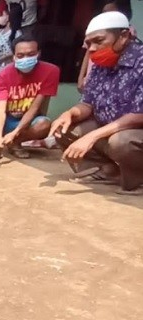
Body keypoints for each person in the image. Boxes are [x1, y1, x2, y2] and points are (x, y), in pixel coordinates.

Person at [53, 11, 143, 195]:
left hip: (132, 131)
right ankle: (110, 172)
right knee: (64, 129)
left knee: (121, 141)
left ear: (124, 36)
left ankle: (137, 180)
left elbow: (138, 116)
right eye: (88, 43)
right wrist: (69, 114)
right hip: (111, 128)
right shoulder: (101, 62)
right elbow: (88, 104)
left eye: (98, 40)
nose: (92, 48)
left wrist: (92, 136)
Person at [0, 36, 59, 161]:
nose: (26, 59)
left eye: (31, 54)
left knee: (44, 124)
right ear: (14, 56)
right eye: (20, 55)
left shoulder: (51, 71)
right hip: (4, 119)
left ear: (39, 53)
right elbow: (0, 109)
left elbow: (35, 108)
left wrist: (15, 132)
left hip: (26, 121)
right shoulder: (4, 74)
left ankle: (14, 143)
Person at [77, 0, 136, 93]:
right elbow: (87, 54)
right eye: (104, 13)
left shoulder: (129, 35)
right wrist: (81, 78)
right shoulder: (94, 31)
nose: (92, 48)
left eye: (99, 41)